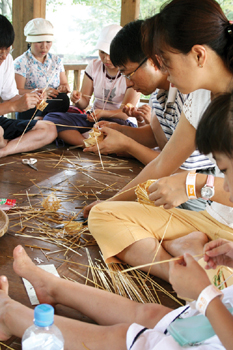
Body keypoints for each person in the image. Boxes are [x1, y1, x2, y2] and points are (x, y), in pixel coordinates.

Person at [1, 94, 233, 348]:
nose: (227, 186)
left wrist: (204, 295)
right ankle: (53, 286)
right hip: (218, 302)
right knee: (149, 314)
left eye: (225, 171)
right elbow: (162, 156)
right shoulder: (187, 99)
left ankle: (10, 316)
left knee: (122, 336)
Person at [87, 0, 233, 281]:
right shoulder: (201, 95)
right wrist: (112, 201)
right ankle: (180, 268)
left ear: (199, 55)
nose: (164, 71)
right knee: (104, 215)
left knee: (222, 280)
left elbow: (190, 180)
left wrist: (193, 183)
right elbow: (164, 163)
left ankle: (192, 260)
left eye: (166, 62)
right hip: (211, 218)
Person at [83, 20, 215, 212]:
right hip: (174, 180)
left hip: (197, 191)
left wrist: (127, 144)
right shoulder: (158, 95)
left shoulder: (190, 95)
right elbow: (156, 135)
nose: (127, 84)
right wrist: (121, 131)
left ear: (153, 61)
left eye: (128, 74)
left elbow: (176, 169)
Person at [44, 24, 140, 147]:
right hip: (94, 119)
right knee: (51, 118)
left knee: (115, 129)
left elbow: (125, 113)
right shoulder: (94, 66)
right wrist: (78, 99)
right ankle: (87, 145)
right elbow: (84, 103)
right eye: (102, 53)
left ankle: (93, 140)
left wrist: (103, 113)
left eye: (111, 54)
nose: (106, 59)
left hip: (120, 122)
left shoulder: (130, 71)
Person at [0, 15, 57, 158]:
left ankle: (4, 150)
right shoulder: (23, 61)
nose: (5, 57)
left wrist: (32, 96)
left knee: (49, 129)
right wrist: (13, 107)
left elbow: (12, 97)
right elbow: (12, 104)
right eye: (0, 52)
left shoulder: (7, 61)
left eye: (8, 50)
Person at [14, 18, 70, 120]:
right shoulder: (20, 62)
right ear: (30, 41)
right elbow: (17, 91)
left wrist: (63, 88)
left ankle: (43, 119)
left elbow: (65, 84)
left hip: (52, 104)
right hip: (31, 106)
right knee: (28, 106)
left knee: (64, 99)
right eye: (39, 42)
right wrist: (39, 92)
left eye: (48, 42)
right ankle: (42, 119)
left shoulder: (56, 61)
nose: (44, 46)